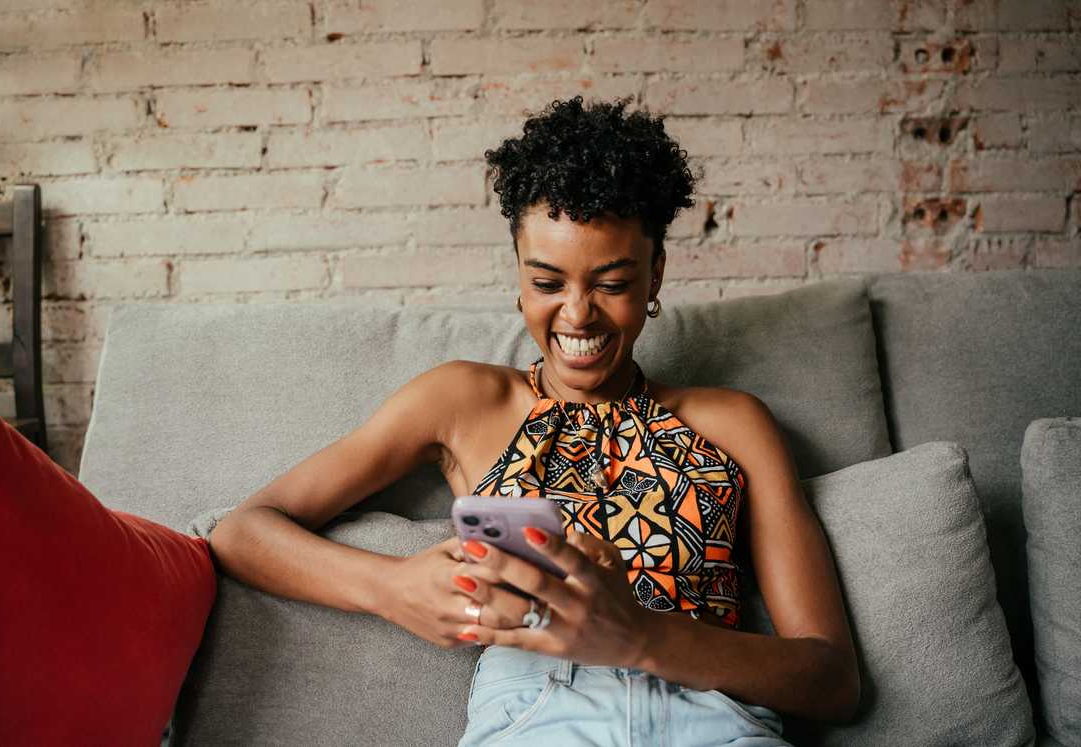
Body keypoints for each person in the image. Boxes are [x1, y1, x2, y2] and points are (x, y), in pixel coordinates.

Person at [207, 96, 860, 746]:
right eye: (548, 282)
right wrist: (391, 586)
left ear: (655, 274)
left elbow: (834, 680)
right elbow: (243, 531)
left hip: (716, 719)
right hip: (538, 714)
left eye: (611, 282)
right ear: (519, 277)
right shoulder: (464, 400)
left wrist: (643, 636)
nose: (578, 315)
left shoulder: (733, 423)